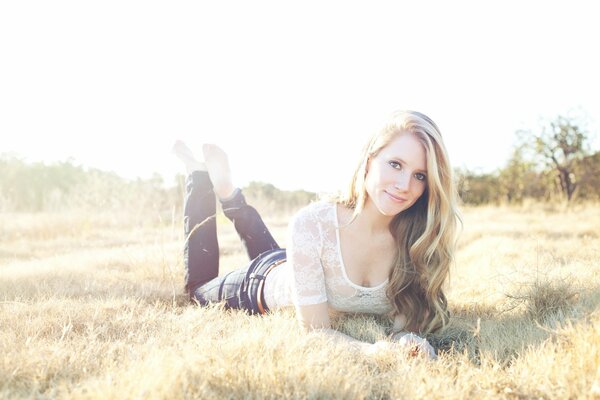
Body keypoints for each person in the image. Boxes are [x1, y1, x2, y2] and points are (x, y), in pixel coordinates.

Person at [172, 110, 460, 360]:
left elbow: (404, 325)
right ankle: (201, 178)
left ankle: (228, 193)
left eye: (420, 175)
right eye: (395, 164)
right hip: (260, 283)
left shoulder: (418, 239)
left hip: (295, 263)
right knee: (198, 290)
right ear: (370, 159)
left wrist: (408, 340)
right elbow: (315, 334)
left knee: (277, 254)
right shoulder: (314, 223)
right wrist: (373, 351)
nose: (403, 184)